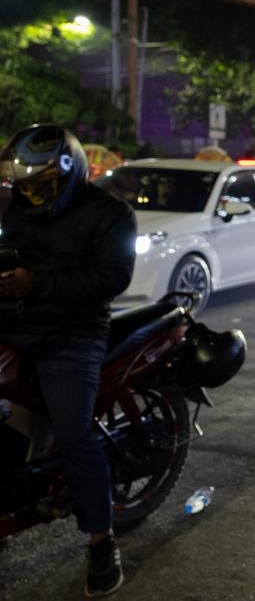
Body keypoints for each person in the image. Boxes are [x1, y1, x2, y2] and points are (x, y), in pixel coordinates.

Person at [0, 125, 136, 597]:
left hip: (72, 332)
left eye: (40, 183)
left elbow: (113, 275)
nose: (29, 192)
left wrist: (35, 283)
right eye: (23, 184)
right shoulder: (9, 207)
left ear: (69, 171)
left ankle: (102, 541)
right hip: (10, 323)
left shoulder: (108, 213)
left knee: (75, 432)